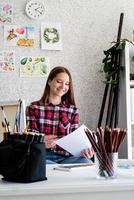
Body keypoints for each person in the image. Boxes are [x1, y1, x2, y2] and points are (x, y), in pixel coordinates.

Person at [26, 66, 93, 164]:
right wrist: (41, 142)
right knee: (38, 164)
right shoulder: (34, 108)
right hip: (44, 156)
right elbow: (32, 138)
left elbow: (75, 140)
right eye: (59, 81)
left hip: (67, 158)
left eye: (67, 84)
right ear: (49, 81)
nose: (63, 86)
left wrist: (86, 150)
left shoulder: (72, 110)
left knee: (87, 162)